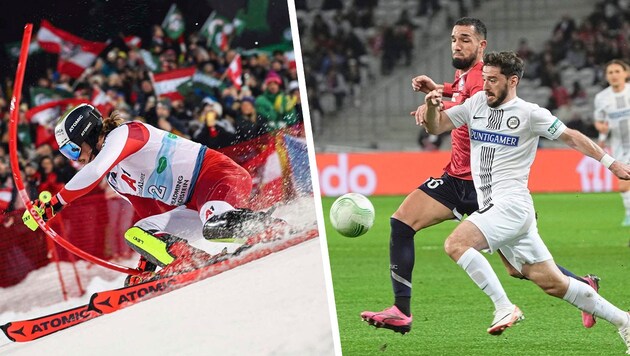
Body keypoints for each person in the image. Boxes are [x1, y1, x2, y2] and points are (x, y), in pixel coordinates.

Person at [361, 17, 600, 335]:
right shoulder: (465, 77)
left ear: (481, 46)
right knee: (404, 223)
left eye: (465, 40)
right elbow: (462, 94)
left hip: (483, 185)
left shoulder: (482, 79)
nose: (457, 45)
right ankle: (401, 310)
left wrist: (439, 103)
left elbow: (474, 99)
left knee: (518, 268)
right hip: (455, 178)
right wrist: (439, 93)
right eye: (453, 39)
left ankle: (577, 288)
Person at [422, 51, 630, 351]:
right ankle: (623, 320)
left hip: (513, 204)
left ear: (513, 81)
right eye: (484, 79)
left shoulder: (530, 114)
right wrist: (431, 107)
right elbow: (436, 126)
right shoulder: (476, 104)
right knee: (553, 283)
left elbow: (571, 136)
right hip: (495, 208)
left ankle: (504, 306)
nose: (486, 85)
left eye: (493, 80)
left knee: (456, 244)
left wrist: (612, 164)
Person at [26, 103, 285, 285]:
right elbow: (150, 215)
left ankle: (273, 228)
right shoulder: (116, 176)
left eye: (72, 150)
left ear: (88, 134)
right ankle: (187, 259)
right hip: (192, 205)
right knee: (137, 232)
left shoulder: (126, 133)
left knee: (214, 224)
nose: (74, 159)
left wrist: (55, 203)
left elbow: (93, 171)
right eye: (66, 154)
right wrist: (149, 258)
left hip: (217, 177)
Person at [593, 59, 630, 227]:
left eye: (617, 71)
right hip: (619, 145)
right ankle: (629, 214)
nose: (614, 75)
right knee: (624, 185)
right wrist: (601, 128)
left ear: (626, 73)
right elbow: (599, 121)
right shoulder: (602, 98)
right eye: (610, 72)